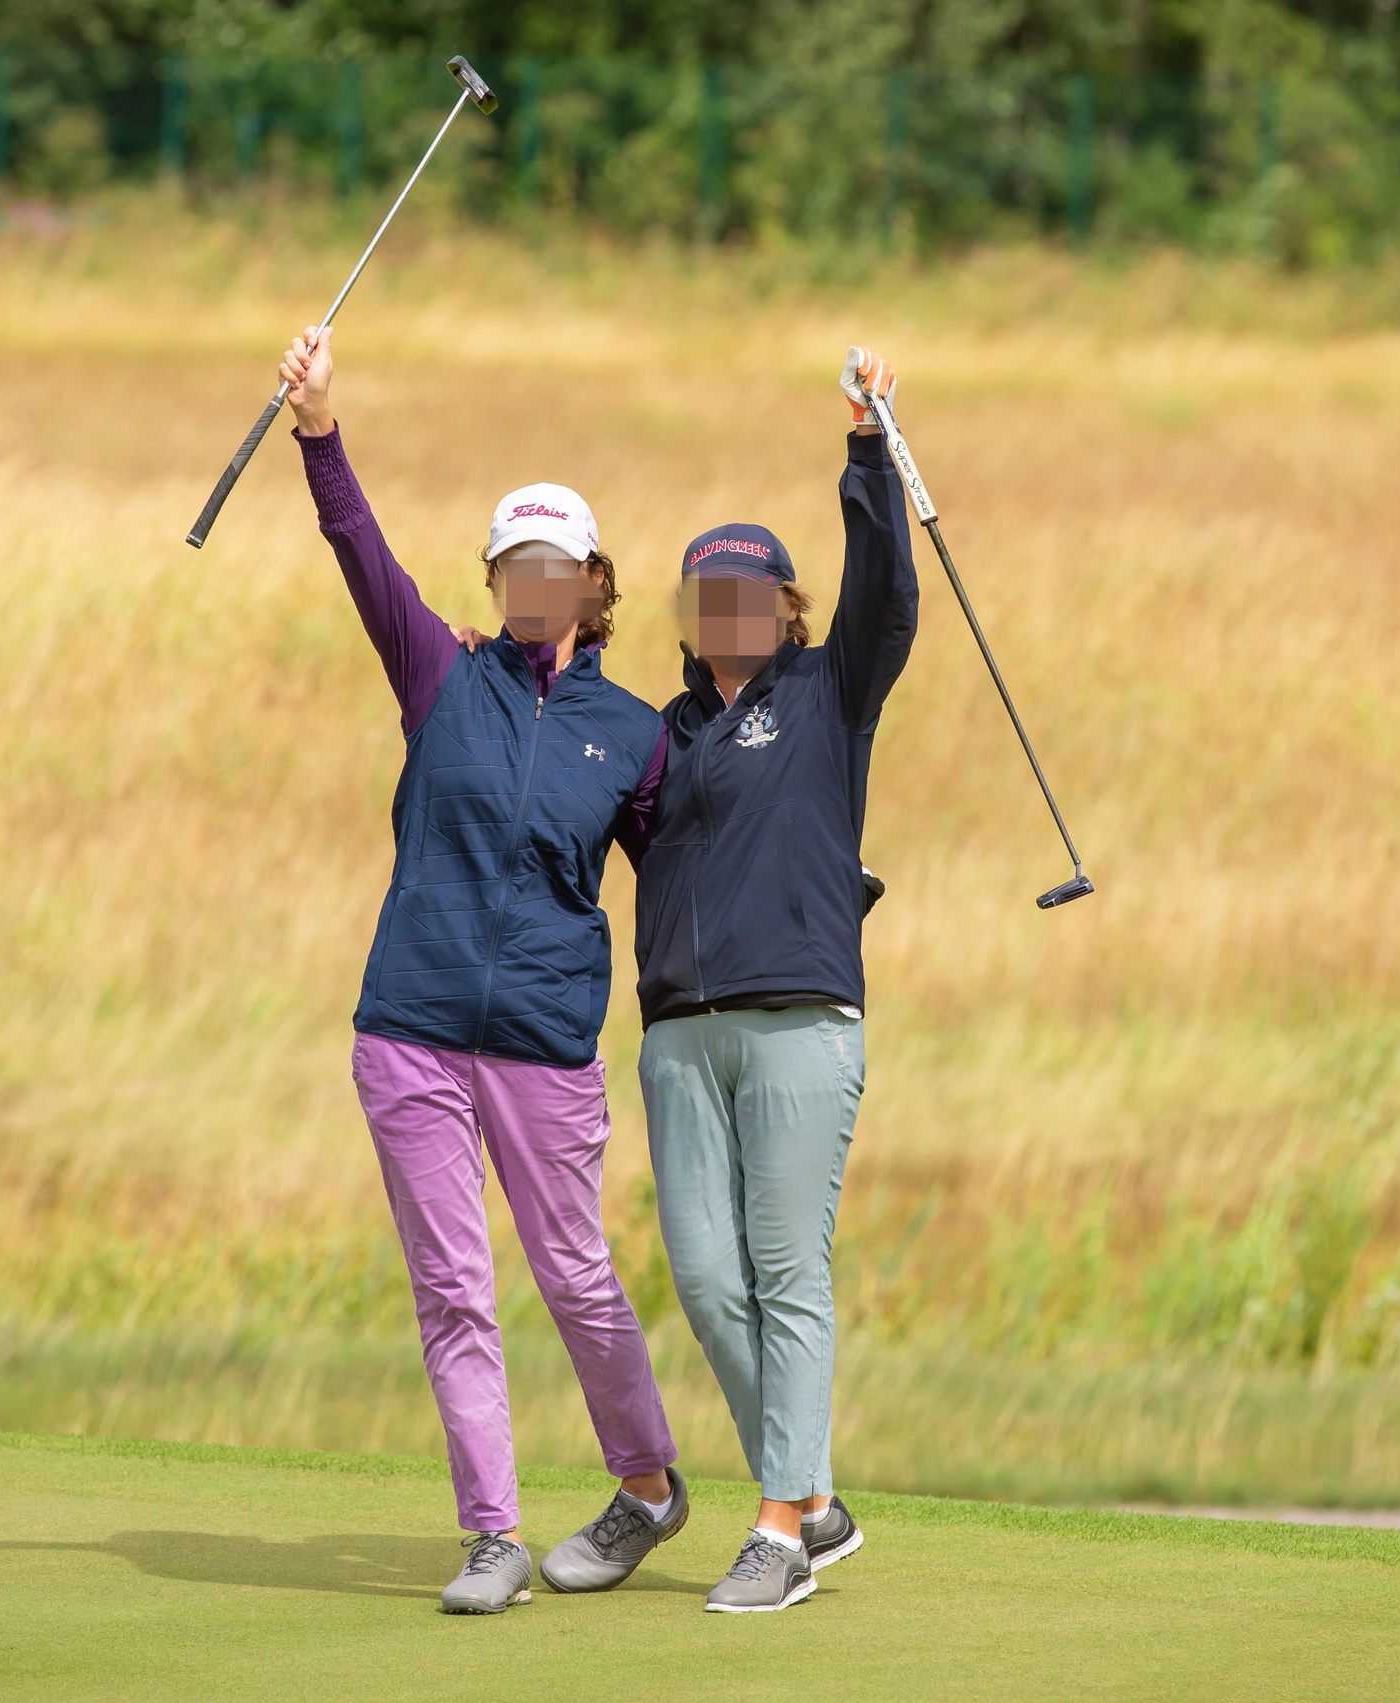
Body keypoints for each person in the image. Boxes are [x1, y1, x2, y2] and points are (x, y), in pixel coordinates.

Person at [275, 324, 689, 1616]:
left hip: (544, 1041)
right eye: (516, 563)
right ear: (499, 574)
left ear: (591, 581)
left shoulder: (632, 733)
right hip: (408, 1027)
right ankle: (491, 1534)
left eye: (555, 566)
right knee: (453, 1285)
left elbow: (682, 875)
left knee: (574, 1274)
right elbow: (361, 554)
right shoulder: (440, 675)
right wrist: (319, 431)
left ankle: (648, 1483)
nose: (534, 582)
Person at [635, 350, 920, 1613]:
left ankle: (776, 1532)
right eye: (708, 595)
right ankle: (811, 1494)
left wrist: (868, 454)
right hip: (679, 1031)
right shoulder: (665, 729)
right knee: (704, 1278)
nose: (728, 610)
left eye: (749, 591)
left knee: (782, 1265)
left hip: (800, 1015)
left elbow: (890, 597)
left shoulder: (827, 688)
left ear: (786, 608)